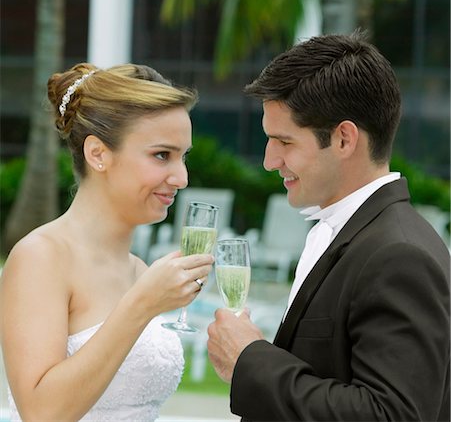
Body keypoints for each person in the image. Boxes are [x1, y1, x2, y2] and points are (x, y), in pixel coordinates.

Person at [207, 31, 450, 421]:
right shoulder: (354, 232)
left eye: (284, 142)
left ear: (343, 139)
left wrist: (249, 361)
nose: (270, 161)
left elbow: (391, 415)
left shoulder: (399, 255)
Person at [0, 62, 215, 421]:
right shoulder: (41, 257)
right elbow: (41, 413)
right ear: (98, 154)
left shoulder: (139, 269)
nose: (181, 177)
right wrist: (142, 304)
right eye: (162, 155)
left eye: (183, 157)